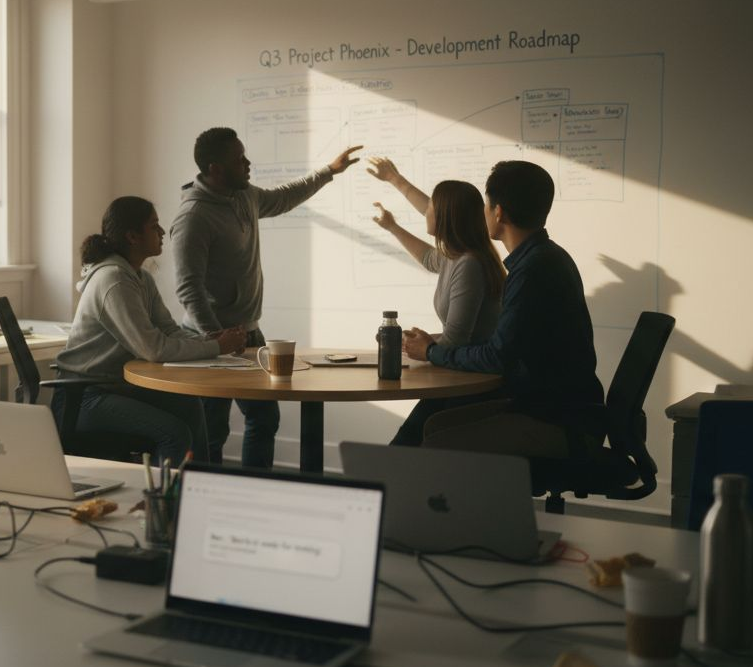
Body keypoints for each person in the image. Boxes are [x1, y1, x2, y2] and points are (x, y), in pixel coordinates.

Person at [171, 127, 362, 466]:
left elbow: (282, 198)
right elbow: (188, 288)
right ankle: (207, 500)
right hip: (209, 339)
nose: (248, 164)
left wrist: (328, 172)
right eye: (239, 159)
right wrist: (216, 338)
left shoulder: (243, 196)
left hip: (247, 333)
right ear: (215, 169)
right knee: (211, 430)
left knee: (263, 418)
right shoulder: (193, 217)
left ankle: (253, 490)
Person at [402, 160, 606, 458]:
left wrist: (432, 352)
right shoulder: (545, 257)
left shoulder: (532, 271)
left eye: (486, 205)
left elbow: (497, 357)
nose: (483, 212)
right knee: (432, 423)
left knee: (435, 442)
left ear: (498, 212)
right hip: (554, 406)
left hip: (560, 420)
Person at [53, 196, 246, 464]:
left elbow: (168, 330)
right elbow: (154, 349)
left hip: (112, 387)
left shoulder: (141, 278)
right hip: (84, 396)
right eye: (154, 226)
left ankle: (198, 491)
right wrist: (216, 347)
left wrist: (208, 340)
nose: (162, 232)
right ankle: (162, 504)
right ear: (133, 236)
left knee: (190, 406)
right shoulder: (114, 280)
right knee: (174, 434)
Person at [365, 156, 506, 447]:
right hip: (461, 376)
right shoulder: (458, 257)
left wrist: (425, 346)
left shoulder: (468, 263)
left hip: (470, 385)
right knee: (404, 446)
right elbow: (430, 258)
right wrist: (392, 225)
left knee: (403, 448)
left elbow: (456, 341)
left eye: (430, 208)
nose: (425, 210)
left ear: (444, 217)